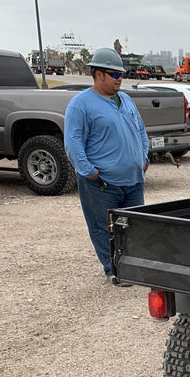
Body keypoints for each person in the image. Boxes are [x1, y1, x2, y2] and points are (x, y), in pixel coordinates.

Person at [64, 47, 149, 286]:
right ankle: (113, 270)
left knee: (133, 227)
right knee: (103, 227)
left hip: (133, 180)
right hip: (102, 183)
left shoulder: (127, 100)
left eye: (121, 73)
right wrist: (89, 172)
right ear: (98, 74)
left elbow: (141, 131)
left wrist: (144, 160)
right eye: (113, 74)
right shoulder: (81, 105)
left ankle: (133, 268)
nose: (119, 78)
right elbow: (73, 142)